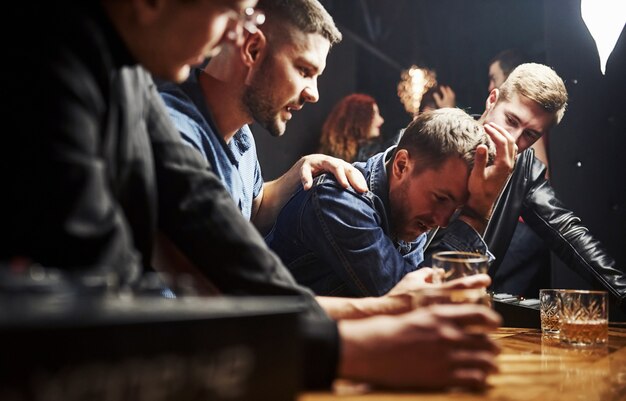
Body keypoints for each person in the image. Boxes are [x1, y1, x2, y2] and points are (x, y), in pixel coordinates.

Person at [5, 0, 501, 392]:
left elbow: (205, 211)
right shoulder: (46, 50)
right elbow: (110, 301)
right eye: (230, 11)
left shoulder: (127, 71)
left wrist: (380, 313)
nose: (235, 35)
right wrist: (351, 343)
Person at [424, 63, 626, 310]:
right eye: (511, 120)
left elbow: (568, 234)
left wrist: (622, 292)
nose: (513, 139)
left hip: (458, 314)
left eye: (530, 135)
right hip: (405, 302)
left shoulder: (522, 169)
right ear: (492, 100)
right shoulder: (436, 138)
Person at [267, 108, 518, 297]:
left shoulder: (407, 209)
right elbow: (414, 306)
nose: (442, 220)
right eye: (440, 199)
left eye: (455, 209)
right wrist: (476, 214)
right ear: (401, 165)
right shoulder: (340, 200)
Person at [486, 50, 550, 297]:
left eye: (494, 76)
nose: (491, 83)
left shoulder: (525, 127)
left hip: (521, 225)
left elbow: (539, 171)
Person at [317, 93, 387, 163]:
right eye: (373, 114)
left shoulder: (377, 153)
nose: (381, 120)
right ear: (358, 118)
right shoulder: (326, 159)